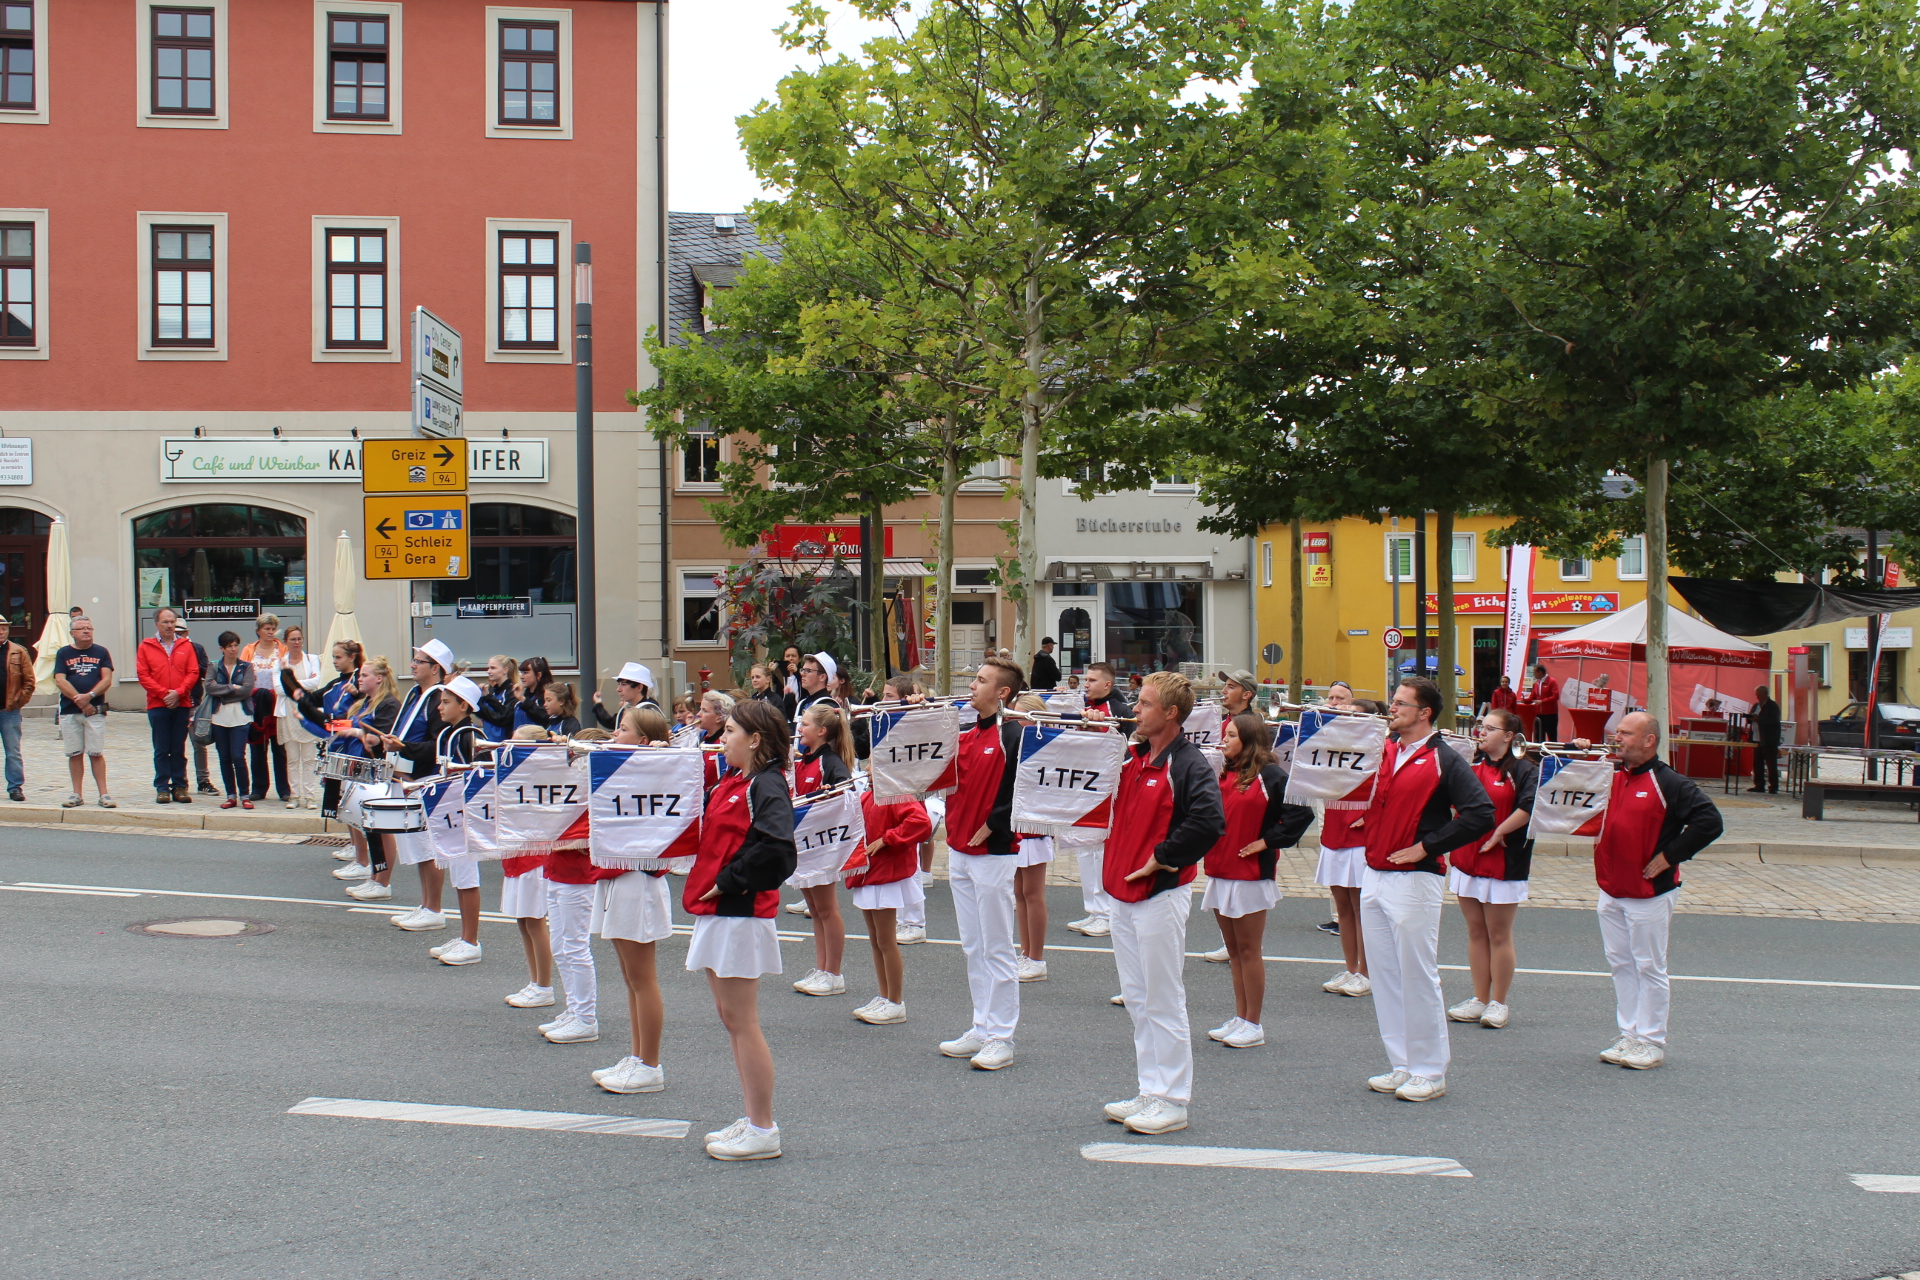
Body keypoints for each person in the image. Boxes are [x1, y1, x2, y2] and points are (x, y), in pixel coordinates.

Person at [1099, 671, 1226, 1135]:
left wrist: (1163, 859)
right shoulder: (1135, 757)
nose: (1136, 709)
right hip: (1122, 894)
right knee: (1137, 998)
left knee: (1163, 998)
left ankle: (1172, 1099)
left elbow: (1210, 822)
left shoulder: (1187, 764)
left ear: (1171, 714)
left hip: (1158, 896)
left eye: (1146, 704)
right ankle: (1150, 1089)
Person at [1359, 677, 1494, 1103]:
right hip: (1375, 873)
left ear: (1425, 713)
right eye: (1393, 701)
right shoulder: (1388, 750)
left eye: (1401, 703)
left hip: (1416, 879)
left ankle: (1430, 1070)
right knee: (1385, 976)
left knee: (1417, 975)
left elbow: (1479, 814)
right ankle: (1402, 1063)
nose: (1392, 708)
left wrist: (1427, 845)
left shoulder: (1445, 759)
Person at [685, 699, 799, 1160]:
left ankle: (763, 1127)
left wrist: (727, 882)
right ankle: (753, 1116)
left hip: (740, 913)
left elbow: (779, 851)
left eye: (729, 730)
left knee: (743, 1022)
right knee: (732, 1020)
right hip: (722, 912)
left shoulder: (767, 785)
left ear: (754, 739)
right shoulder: (738, 780)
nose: (722, 737)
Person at [1579, 712, 1724, 1070]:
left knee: (1649, 966)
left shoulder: (1669, 781)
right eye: (1617, 732)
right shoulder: (1610, 775)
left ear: (1649, 741)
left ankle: (1652, 1040)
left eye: (1626, 734)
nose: (1617, 738)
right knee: (1621, 964)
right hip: (1611, 888)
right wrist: (1575, 754)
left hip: (1649, 892)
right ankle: (1629, 1034)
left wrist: (1670, 856)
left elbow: (1710, 822)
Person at [937, 655, 1026, 1071]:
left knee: (997, 946)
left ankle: (1002, 1036)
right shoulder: (968, 733)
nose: (971, 685)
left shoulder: (1014, 733)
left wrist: (995, 824)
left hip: (991, 852)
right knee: (973, 946)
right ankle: (981, 1024)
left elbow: (1022, 786)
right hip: (958, 848)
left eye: (981, 680)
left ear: (1002, 692)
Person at [1203, 713, 1313, 1049]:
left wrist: (1267, 841)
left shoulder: (1271, 775)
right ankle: (1240, 1016)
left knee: (1250, 950)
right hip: (1221, 870)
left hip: (1250, 876)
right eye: (1225, 734)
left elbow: (1302, 813)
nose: (1225, 740)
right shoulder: (1226, 771)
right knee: (1234, 951)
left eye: (1232, 735)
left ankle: (1254, 1022)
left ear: (1249, 740)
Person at [589, 706, 683, 1095]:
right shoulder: (617, 770)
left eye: (622, 729)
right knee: (630, 979)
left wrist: (659, 755)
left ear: (644, 740)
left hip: (637, 881)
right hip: (617, 877)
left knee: (643, 979)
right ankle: (637, 1055)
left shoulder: (654, 771)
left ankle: (650, 1064)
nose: (614, 735)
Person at [1444, 708, 1536, 1030]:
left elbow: (1529, 806)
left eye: (1490, 729)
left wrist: (1499, 832)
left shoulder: (1524, 769)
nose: (1481, 732)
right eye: (1481, 727)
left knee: (1499, 934)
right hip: (1468, 857)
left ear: (1509, 736)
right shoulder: (1471, 765)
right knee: (1475, 931)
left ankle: (1499, 1002)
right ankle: (1479, 998)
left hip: (1503, 860)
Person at [393, 677, 489, 966]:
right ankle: (464, 937)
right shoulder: (450, 732)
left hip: (462, 813)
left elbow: (466, 774)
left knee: (466, 876)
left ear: (464, 705)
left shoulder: (466, 734)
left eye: (446, 702)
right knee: (460, 877)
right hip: (452, 811)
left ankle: (471, 942)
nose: (439, 707)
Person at [537, 726, 623, 1045]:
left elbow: (589, 839)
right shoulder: (570, 793)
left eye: (579, 756)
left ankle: (586, 1017)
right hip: (557, 872)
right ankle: (574, 1009)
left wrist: (546, 836)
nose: (573, 761)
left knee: (575, 945)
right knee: (560, 946)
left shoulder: (598, 796)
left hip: (578, 877)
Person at [847, 778, 933, 1025]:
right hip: (869, 873)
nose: (868, 769)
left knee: (886, 940)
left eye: (874, 764)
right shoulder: (868, 796)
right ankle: (884, 996)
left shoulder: (897, 794)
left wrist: (888, 839)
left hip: (885, 874)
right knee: (876, 940)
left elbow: (920, 823)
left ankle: (895, 1002)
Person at [790, 700, 854, 996]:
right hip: (804, 844)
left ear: (822, 731)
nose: (799, 729)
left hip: (823, 845)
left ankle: (834, 973)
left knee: (827, 909)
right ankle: (821, 967)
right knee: (815, 910)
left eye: (804, 724)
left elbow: (847, 792)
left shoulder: (830, 762)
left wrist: (831, 794)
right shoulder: (803, 759)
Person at [1315, 683, 1374, 983]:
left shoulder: (1379, 751)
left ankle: (1366, 970)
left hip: (1359, 836)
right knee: (1343, 908)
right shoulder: (1332, 747)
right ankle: (1351, 967)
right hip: (1335, 831)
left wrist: (1372, 814)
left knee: (1361, 907)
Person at [1066, 661, 1128, 938]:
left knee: (1099, 852)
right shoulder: (1083, 706)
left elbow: (1125, 750)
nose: (1086, 684)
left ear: (1108, 685)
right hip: (1085, 787)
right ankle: (1093, 910)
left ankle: (1106, 913)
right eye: (1085, 679)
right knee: (1084, 849)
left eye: (1092, 680)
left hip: (1108, 791)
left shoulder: (1118, 711)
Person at [499, 723, 558, 1009]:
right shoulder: (513, 774)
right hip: (516, 852)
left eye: (517, 743)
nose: (510, 747)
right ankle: (534, 981)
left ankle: (545, 985)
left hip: (535, 855)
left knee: (535, 921)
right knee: (522, 920)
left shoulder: (544, 776)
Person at [339, 657, 405, 902]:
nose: (360, 679)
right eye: (359, 675)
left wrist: (363, 734)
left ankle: (383, 882)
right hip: (367, 770)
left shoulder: (388, 704)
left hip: (381, 772)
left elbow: (383, 739)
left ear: (379, 678)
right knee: (371, 827)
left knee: (382, 828)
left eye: (365, 675)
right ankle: (375, 877)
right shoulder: (366, 702)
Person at [1009, 693, 1056, 982]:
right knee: (1019, 893)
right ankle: (1025, 952)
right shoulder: (1017, 744)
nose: (1015, 721)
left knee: (1033, 894)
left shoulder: (1047, 747)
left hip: (1036, 828)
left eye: (1020, 717)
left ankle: (1037, 957)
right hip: (1016, 825)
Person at [136, 607, 201, 805]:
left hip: (180, 703)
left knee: (178, 747)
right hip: (158, 704)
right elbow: (143, 675)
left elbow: (193, 672)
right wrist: (164, 694)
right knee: (162, 748)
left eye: (172, 622)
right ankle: (162, 787)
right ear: (156, 624)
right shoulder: (146, 646)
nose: (169, 625)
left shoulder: (185, 646)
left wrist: (178, 693)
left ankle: (180, 786)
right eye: (165, 622)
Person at [52, 616, 113, 809]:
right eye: (81, 628)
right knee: (74, 753)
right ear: (72, 633)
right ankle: (76, 794)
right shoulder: (64, 653)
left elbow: (107, 679)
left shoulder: (101, 652)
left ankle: (104, 794)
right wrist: (79, 700)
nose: (86, 631)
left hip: (95, 711)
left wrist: (90, 695)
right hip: (70, 712)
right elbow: (60, 680)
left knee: (96, 753)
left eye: (89, 628)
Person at [273, 626, 327, 809]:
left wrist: (292, 685)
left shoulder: (312, 660)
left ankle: (310, 795)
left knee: (309, 757)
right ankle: (294, 795)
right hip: (288, 712)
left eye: (299, 639)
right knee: (293, 758)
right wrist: (301, 686)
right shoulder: (280, 662)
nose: (297, 642)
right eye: (293, 639)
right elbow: (279, 689)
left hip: (308, 709)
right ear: (286, 642)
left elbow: (317, 681)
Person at [205, 631, 258, 810]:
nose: (233, 649)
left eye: (236, 645)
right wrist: (231, 687)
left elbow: (247, 690)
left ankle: (245, 794)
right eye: (229, 646)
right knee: (225, 757)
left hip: (240, 716)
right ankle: (231, 795)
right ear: (222, 649)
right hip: (219, 717)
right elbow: (209, 687)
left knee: (238, 756)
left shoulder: (246, 666)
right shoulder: (214, 666)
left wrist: (224, 693)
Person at [175, 623, 218, 797]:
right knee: (177, 746)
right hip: (176, 703)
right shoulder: (168, 651)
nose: (178, 636)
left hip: (194, 703)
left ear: (187, 632)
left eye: (181, 633)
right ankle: (180, 783)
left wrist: (189, 659)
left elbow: (205, 670)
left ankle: (203, 781)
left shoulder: (196, 648)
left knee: (199, 742)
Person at [0, 616, 33, 802]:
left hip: (9, 710)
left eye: (4, 628)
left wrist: (18, 701)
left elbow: (29, 682)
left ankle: (15, 787)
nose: (1, 631)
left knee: (12, 751)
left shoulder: (18, 652)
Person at [592, 661, 660, 730]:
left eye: (624, 684)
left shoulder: (649, 710)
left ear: (639, 687)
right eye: (619, 684)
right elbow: (611, 723)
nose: (618, 689)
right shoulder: (626, 708)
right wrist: (598, 704)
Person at [1749, 684, 1782, 794]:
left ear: (1765, 694)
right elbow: (1751, 717)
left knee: (1771, 764)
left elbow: (1773, 720)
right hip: (1756, 738)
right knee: (1757, 764)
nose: (1757, 697)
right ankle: (1759, 785)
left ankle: (1773, 786)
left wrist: (1758, 719)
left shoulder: (1772, 706)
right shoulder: (1756, 706)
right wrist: (1749, 718)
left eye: (1759, 694)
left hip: (1769, 739)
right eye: (1756, 695)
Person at [792, 651, 835, 729]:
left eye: (808, 670)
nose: (802, 674)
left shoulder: (828, 705)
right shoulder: (803, 702)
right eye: (802, 670)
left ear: (822, 677)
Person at [515, 656, 555, 730]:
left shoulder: (546, 696)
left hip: (536, 739)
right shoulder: (524, 695)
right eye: (521, 673)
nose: (521, 676)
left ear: (538, 675)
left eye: (526, 673)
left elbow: (545, 717)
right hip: (518, 739)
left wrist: (524, 701)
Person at [1528, 663, 1561, 742]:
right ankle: (1540, 753)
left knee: (1552, 736)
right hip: (1539, 714)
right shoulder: (1536, 683)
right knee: (1539, 735)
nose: (1534, 674)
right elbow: (1532, 697)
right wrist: (1525, 700)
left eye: (1535, 672)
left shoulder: (1552, 681)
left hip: (1550, 714)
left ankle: (1553, 752)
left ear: (1540, 672)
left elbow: (1555, 696)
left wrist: (1543, 701)